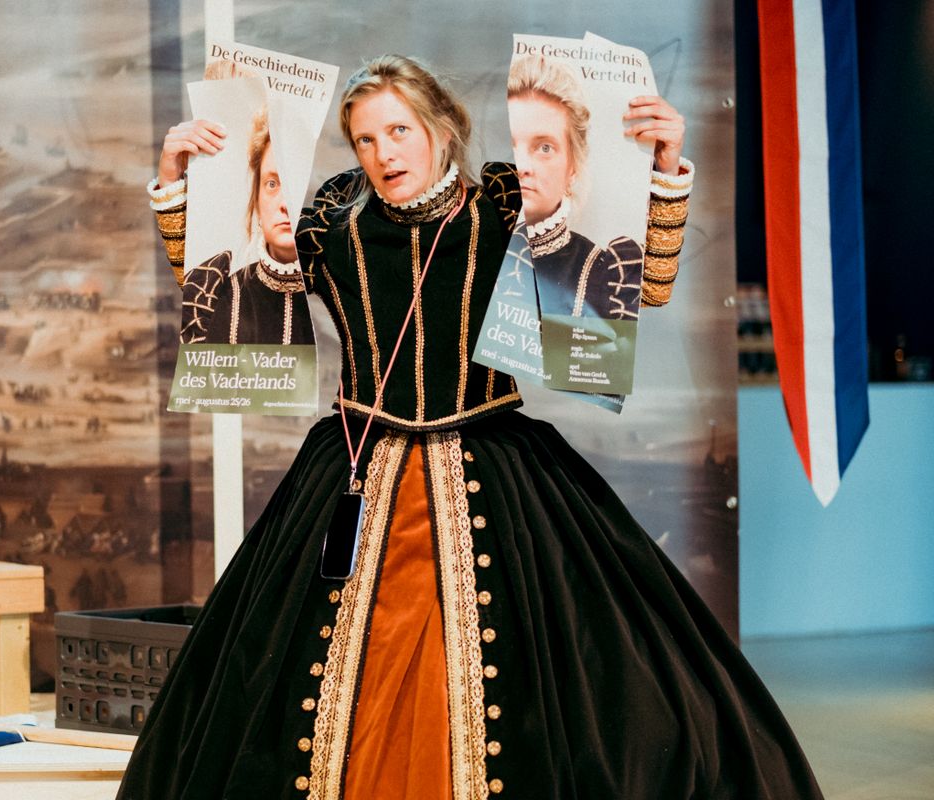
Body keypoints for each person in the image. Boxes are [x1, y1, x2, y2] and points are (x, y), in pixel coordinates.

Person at [126, 54, 823, 800]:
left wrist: (661, 166)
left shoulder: (503, 207)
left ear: (441, 127)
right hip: (356, 461)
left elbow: (642, 286)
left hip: (495, 459)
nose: (384, 152)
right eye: (365, 139)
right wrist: (180, 183)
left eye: (399, 130)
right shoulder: (331, 223)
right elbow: (219, 291)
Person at [507, 52, 688, 320]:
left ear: (572, 168)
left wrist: (666, 168)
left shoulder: (603, 269)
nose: (522, 166)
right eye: (513, 145)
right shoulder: (469, 236)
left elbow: (653, 292)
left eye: (544, 147)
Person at [156, 105, 314, 346]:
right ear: (257, 199)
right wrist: (170, 180)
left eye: (296, 183)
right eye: (272, 184)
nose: (285, 204)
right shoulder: (218, 288)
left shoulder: (347, 284)